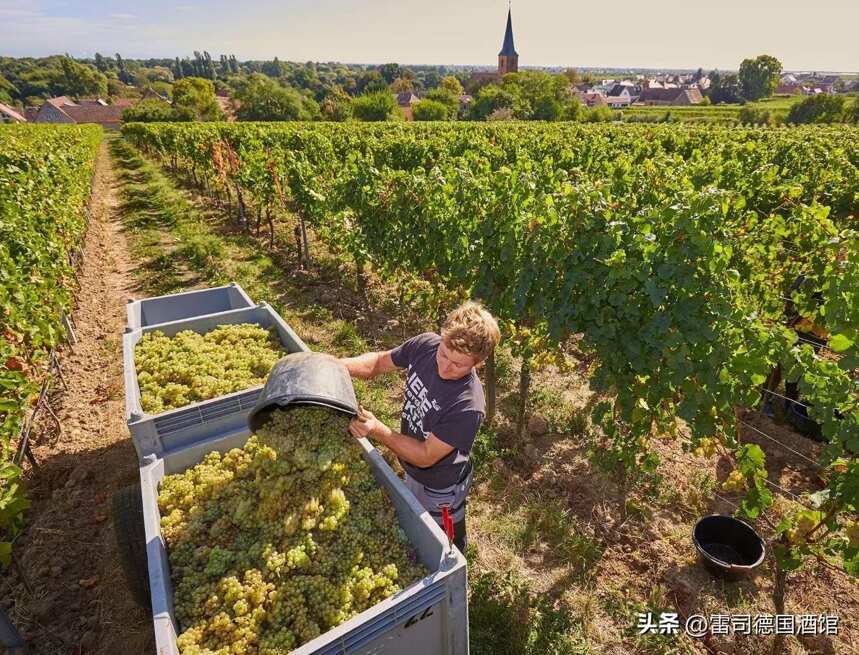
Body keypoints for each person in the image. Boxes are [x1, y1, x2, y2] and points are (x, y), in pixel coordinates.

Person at [338, 301, 500, 552]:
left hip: (439, 487)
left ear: (477, 364)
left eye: (458, 364)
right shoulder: (426, 345)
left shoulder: (468, 406)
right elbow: (380, 362)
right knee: (413, 518)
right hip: (411, 468)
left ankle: (453, 583)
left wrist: (377, 429)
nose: (445, 367)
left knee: (445, 545)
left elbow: (425, 456)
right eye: (444, 353)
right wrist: (337, 366)